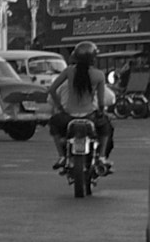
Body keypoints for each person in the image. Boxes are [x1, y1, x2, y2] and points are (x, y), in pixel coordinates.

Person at [48, 40, 115, 170]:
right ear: (93, 59)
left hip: (68, 116)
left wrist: (60, 107)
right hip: (90, 116)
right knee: (106, 128)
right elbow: (101, 102)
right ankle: (101, 157)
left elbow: (52, 90)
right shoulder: (99, 75)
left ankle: (62, 156)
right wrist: (102, 112)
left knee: (54, 124)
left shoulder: (69, 71)